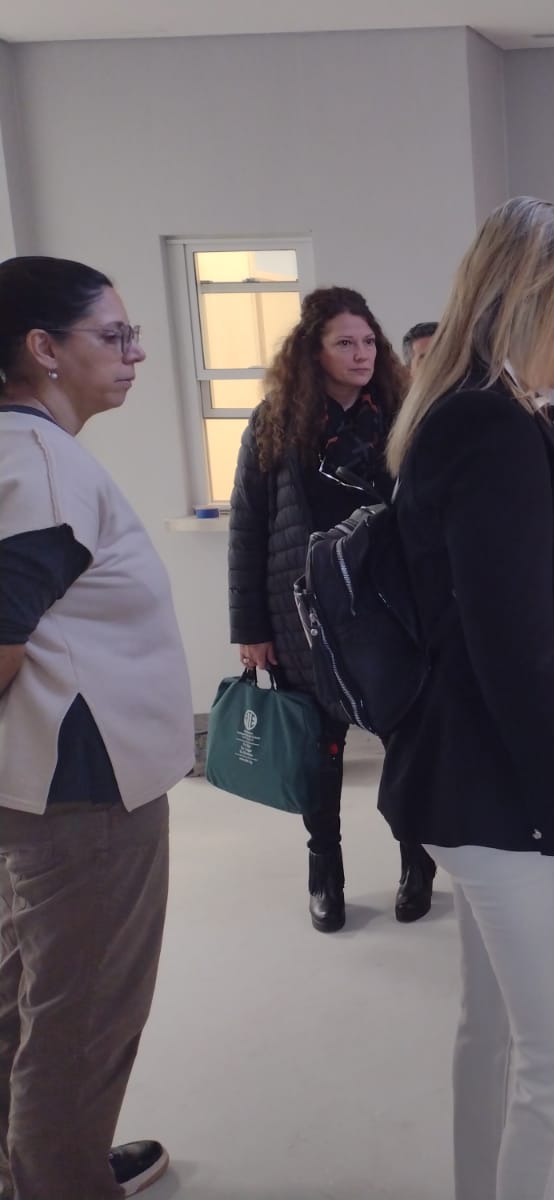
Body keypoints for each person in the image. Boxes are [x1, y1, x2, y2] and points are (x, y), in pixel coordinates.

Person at [378, 196, 554, 1200]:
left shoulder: (480, 414)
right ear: (540, 303)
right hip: (519, 800)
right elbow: (517, 657)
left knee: (496, 1033)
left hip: (487, 783)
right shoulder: (488, 427)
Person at [0, 256, 191, 1198]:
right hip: (85, 798)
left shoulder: (23, 451)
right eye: (113, 336)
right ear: (43, 349)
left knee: (26, 998)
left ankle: (35, 1170)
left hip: (41, 782)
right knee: (79, 1023)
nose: (135, 353)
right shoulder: (38, 465)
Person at [228, 286, 436, 931]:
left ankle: (417, 859)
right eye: (344, 342)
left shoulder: (403, 416)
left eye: (369, 341)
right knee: (319, 752)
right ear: (312, 352)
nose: (361, 353)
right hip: (303, 617)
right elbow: (247, 529)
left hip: (387, 613)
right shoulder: (274, 423)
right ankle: (326, 872)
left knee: (408, 743)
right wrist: (250, 629)